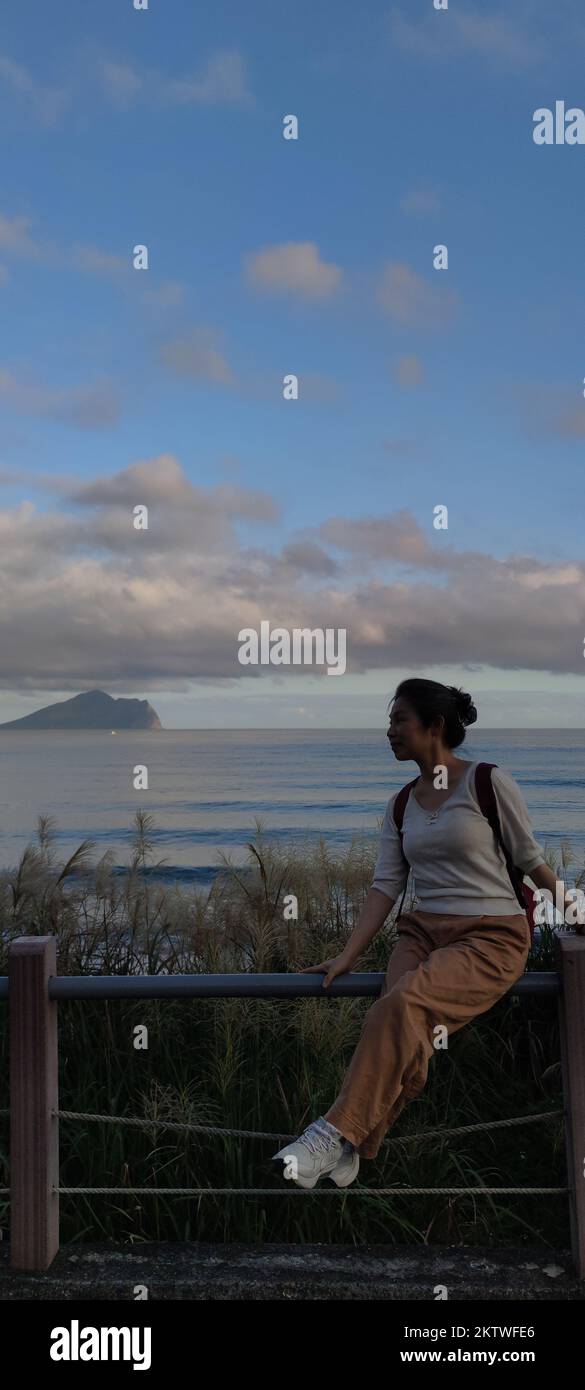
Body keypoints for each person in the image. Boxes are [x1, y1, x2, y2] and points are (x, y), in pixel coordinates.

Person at [272, 677, 576, 1190]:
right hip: (420, 934)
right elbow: (385, 887)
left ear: (434, 726)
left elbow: (531, 859)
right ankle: (354, 1148)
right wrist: (348, 954)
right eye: (389, 722)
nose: (389, 732)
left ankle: (330, 1134)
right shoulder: (400, 805)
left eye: (399, 722)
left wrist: (576, 908)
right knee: (406, 1037)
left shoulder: (486, 780)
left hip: (491, 937)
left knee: (400, 1008)